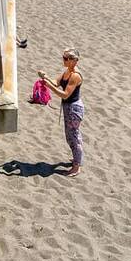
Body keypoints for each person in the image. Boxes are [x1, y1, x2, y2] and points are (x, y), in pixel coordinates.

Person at [37, 49, 84, 177]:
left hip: (74, 109)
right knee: (70, 136)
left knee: (74, 136)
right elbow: (56, 83)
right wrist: (45, 77)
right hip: (69, 108)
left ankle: (76, 167)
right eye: (63, 57)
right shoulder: (67, 72)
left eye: (66, 58)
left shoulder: (75, 76)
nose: (64, 60)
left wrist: (49, 86)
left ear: (74, 61)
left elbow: (65, 94)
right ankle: (77, 159)